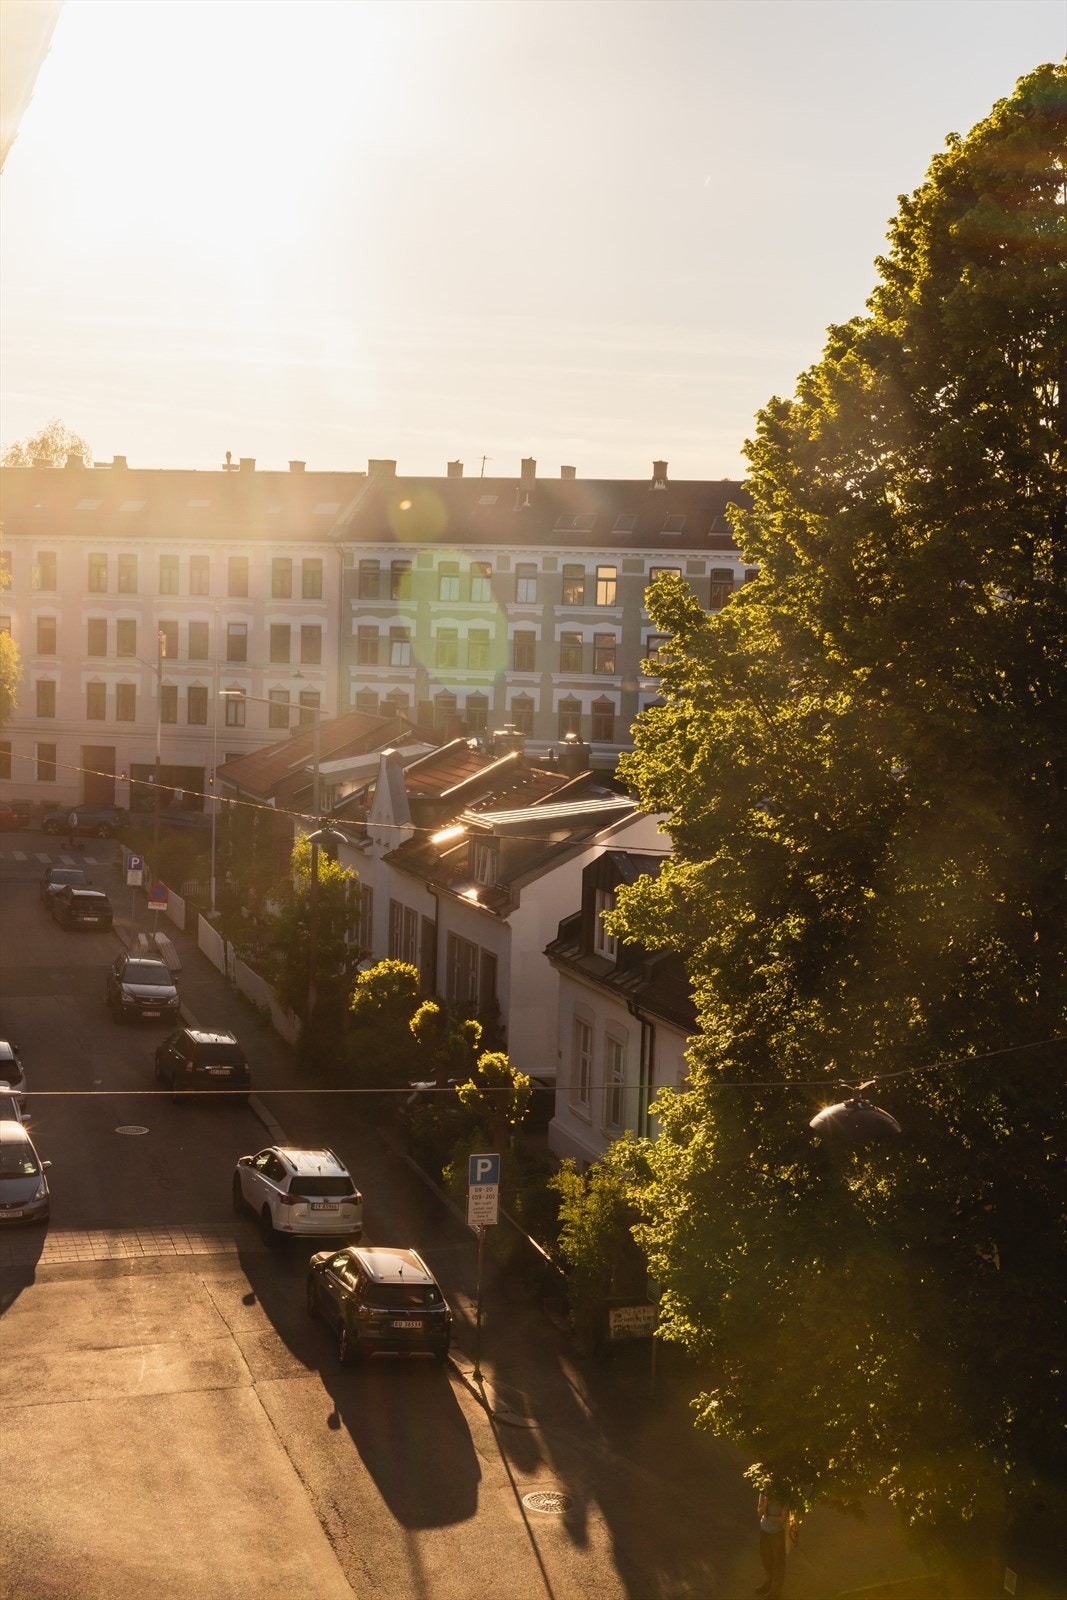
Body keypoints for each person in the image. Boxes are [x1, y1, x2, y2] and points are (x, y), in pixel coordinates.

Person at [756, 1490, 793, 1597]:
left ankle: (776, 1591)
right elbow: (759, 1512)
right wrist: (766, 1501)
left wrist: (767, 1517)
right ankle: (768, 1583)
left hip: (777, 1533)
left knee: (778, 1562)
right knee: (766, 1559)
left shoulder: (784, 1497)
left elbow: (782, 1519)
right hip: (764, 1531)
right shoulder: (763, 1493)